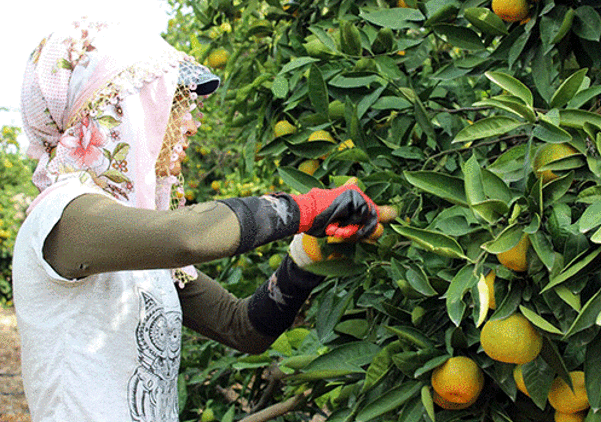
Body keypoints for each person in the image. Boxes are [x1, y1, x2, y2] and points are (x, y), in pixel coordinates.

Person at [13, 19, 382, 422]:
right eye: (174, 105)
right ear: (119, 108)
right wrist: (306, 208)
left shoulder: (136, 243)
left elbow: (242, 327)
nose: (191, 125)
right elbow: (188, 237)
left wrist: (303, 261)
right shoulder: (62, 216)